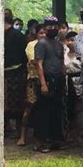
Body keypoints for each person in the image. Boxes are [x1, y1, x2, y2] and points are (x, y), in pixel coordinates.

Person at [33, 16, 65, 151]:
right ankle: (41, 142)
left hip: (58, 80)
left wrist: (63, 79)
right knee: (44, 112)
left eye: (54, 26)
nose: (52, 28)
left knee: (57, 111)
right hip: (47, 79)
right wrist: (43, 83)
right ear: (45, 28)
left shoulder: (59, 45)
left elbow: (62, 63)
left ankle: (55, 140)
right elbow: (39, 65)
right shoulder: (41, 44)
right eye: (49, 26)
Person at [18, 24, 46, 146]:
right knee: (29, 107)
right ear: (36, 34)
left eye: (45, 32)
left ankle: (40, 137)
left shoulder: (50, 44)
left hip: (46, 79)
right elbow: (34, 61)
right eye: (41, 33)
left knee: (43, 109)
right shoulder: (31, 45)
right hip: (33, 80)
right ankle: (22, 136)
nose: (43, 35)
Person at [4, 10, 27, 135]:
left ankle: (19, 130)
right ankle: (5, 127)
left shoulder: (18, 36)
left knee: (17, 103)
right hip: (3, 75)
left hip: (16, 74)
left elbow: (24, 57)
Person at [65, 31, 83, 140]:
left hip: (79, 81)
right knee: (69, 108)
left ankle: (81, 133)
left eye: (73, 40)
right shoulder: (63, 53)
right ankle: (70, 133)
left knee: (79, 108)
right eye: (68, 40)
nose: (70, 42)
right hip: (67, 81)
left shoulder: (81, 54)